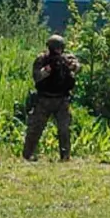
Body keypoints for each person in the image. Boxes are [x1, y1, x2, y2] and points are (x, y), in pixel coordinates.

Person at [23, 34, 81, 162]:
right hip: (44, 99)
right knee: (35, 128)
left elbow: (77, 68)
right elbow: (37, 76)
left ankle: (65, 156)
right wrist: (49, 69)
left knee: (64, 129)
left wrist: (68, 65)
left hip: (61, 99)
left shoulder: (67, 58)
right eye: (55, 49)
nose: (58, 52)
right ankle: (28, 155)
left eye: (59, 49)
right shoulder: (42, 59)